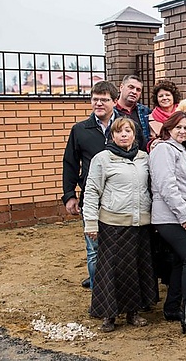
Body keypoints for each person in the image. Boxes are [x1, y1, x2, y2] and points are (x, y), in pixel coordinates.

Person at [62, 81, 141, 290]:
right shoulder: (80, 130)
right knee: (94, 250)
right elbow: (70, 163)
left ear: (115, 101)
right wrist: (69, 195)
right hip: (93, 199)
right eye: (95, 99)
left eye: (104, 99)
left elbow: (141, 156)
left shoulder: (129, 127)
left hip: (122, 201)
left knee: (120, 251)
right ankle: (99, 294)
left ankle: (119, 292)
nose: (99, 103)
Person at [83, 117, 156, 332]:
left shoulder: (144, 158)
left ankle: (133, 312)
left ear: (134, 135)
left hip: (140, 224)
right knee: (111, 270)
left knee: (135, 269)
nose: (124, 135)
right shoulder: (102, 159)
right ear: (112, 136)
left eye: (128, 131)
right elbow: (92, 191)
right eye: (119, 131)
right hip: (113, 224)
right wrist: (91, 223)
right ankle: (109, 315)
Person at [149, 111, 186, 339]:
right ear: (168, 128)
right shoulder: (163, 149)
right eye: (178, 127)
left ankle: (172, 307)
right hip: (168, 217)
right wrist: (185, 217)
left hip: (183, 216)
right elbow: (167, 186)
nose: (182, 131)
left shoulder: (181, 151)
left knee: (182, 260)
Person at [115, 75, 151, 147]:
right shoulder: (110, 111)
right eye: (131, 87)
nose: (134, 92)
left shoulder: (145, 112)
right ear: (121, 87)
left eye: (138, 90)